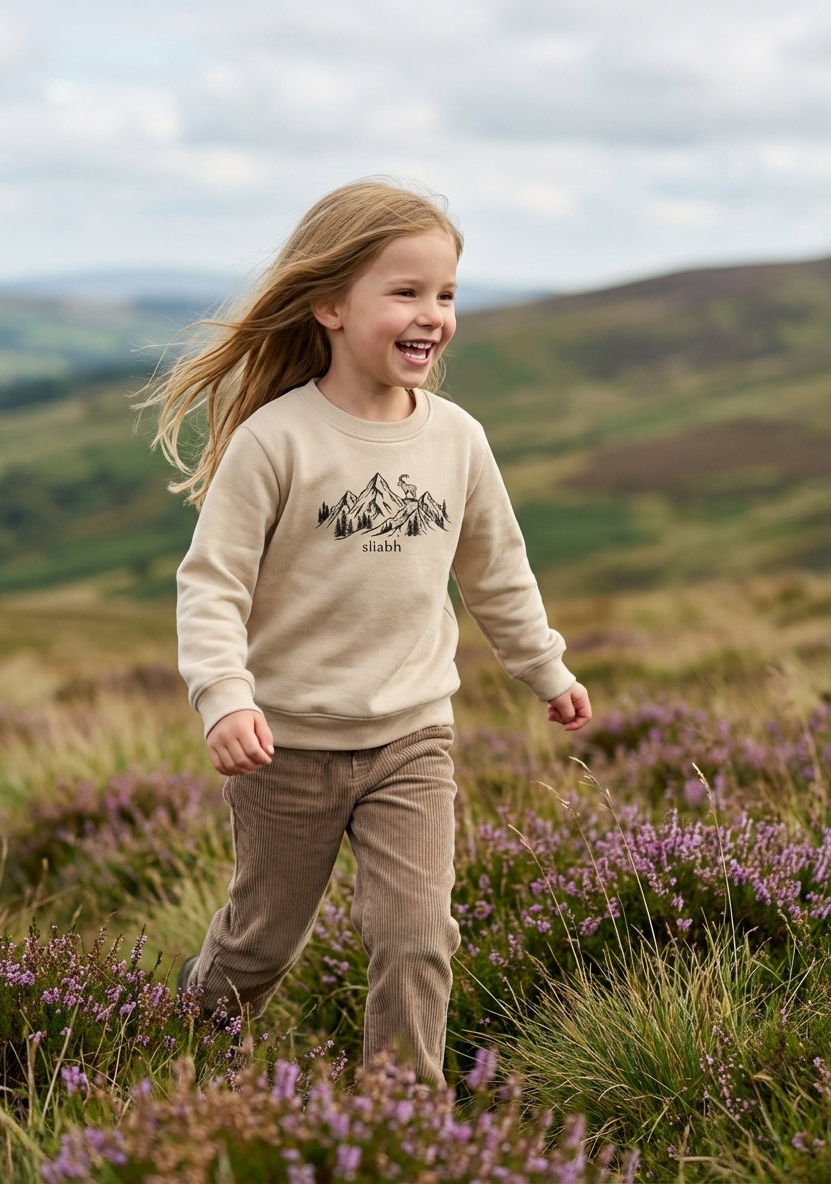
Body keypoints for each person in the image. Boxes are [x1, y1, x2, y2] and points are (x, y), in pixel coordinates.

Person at [147, 177, 591, 1086]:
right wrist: (224, 698)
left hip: (411, 740)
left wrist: (545, 668)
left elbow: (496, 571)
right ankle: (173, 1045)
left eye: (446, 294)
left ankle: (402, 1119)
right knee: (258, 948)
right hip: (287, 751)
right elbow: (213, 584)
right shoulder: (277, 440)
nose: (433, 314)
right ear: (330, 305)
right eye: (406, 292)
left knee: (418, 936)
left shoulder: (458, 439)